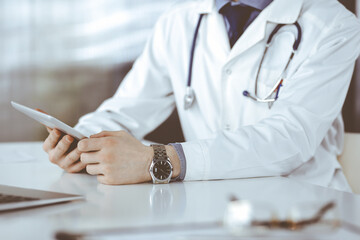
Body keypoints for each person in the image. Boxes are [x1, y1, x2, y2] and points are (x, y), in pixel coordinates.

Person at [42, 0, 360, 191]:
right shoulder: (180, 20)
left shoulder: (333, 25)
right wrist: (81, 143)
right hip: (207, 205)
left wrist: (161, 160)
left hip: (305, 209)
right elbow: (125, 109)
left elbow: (290, 137)